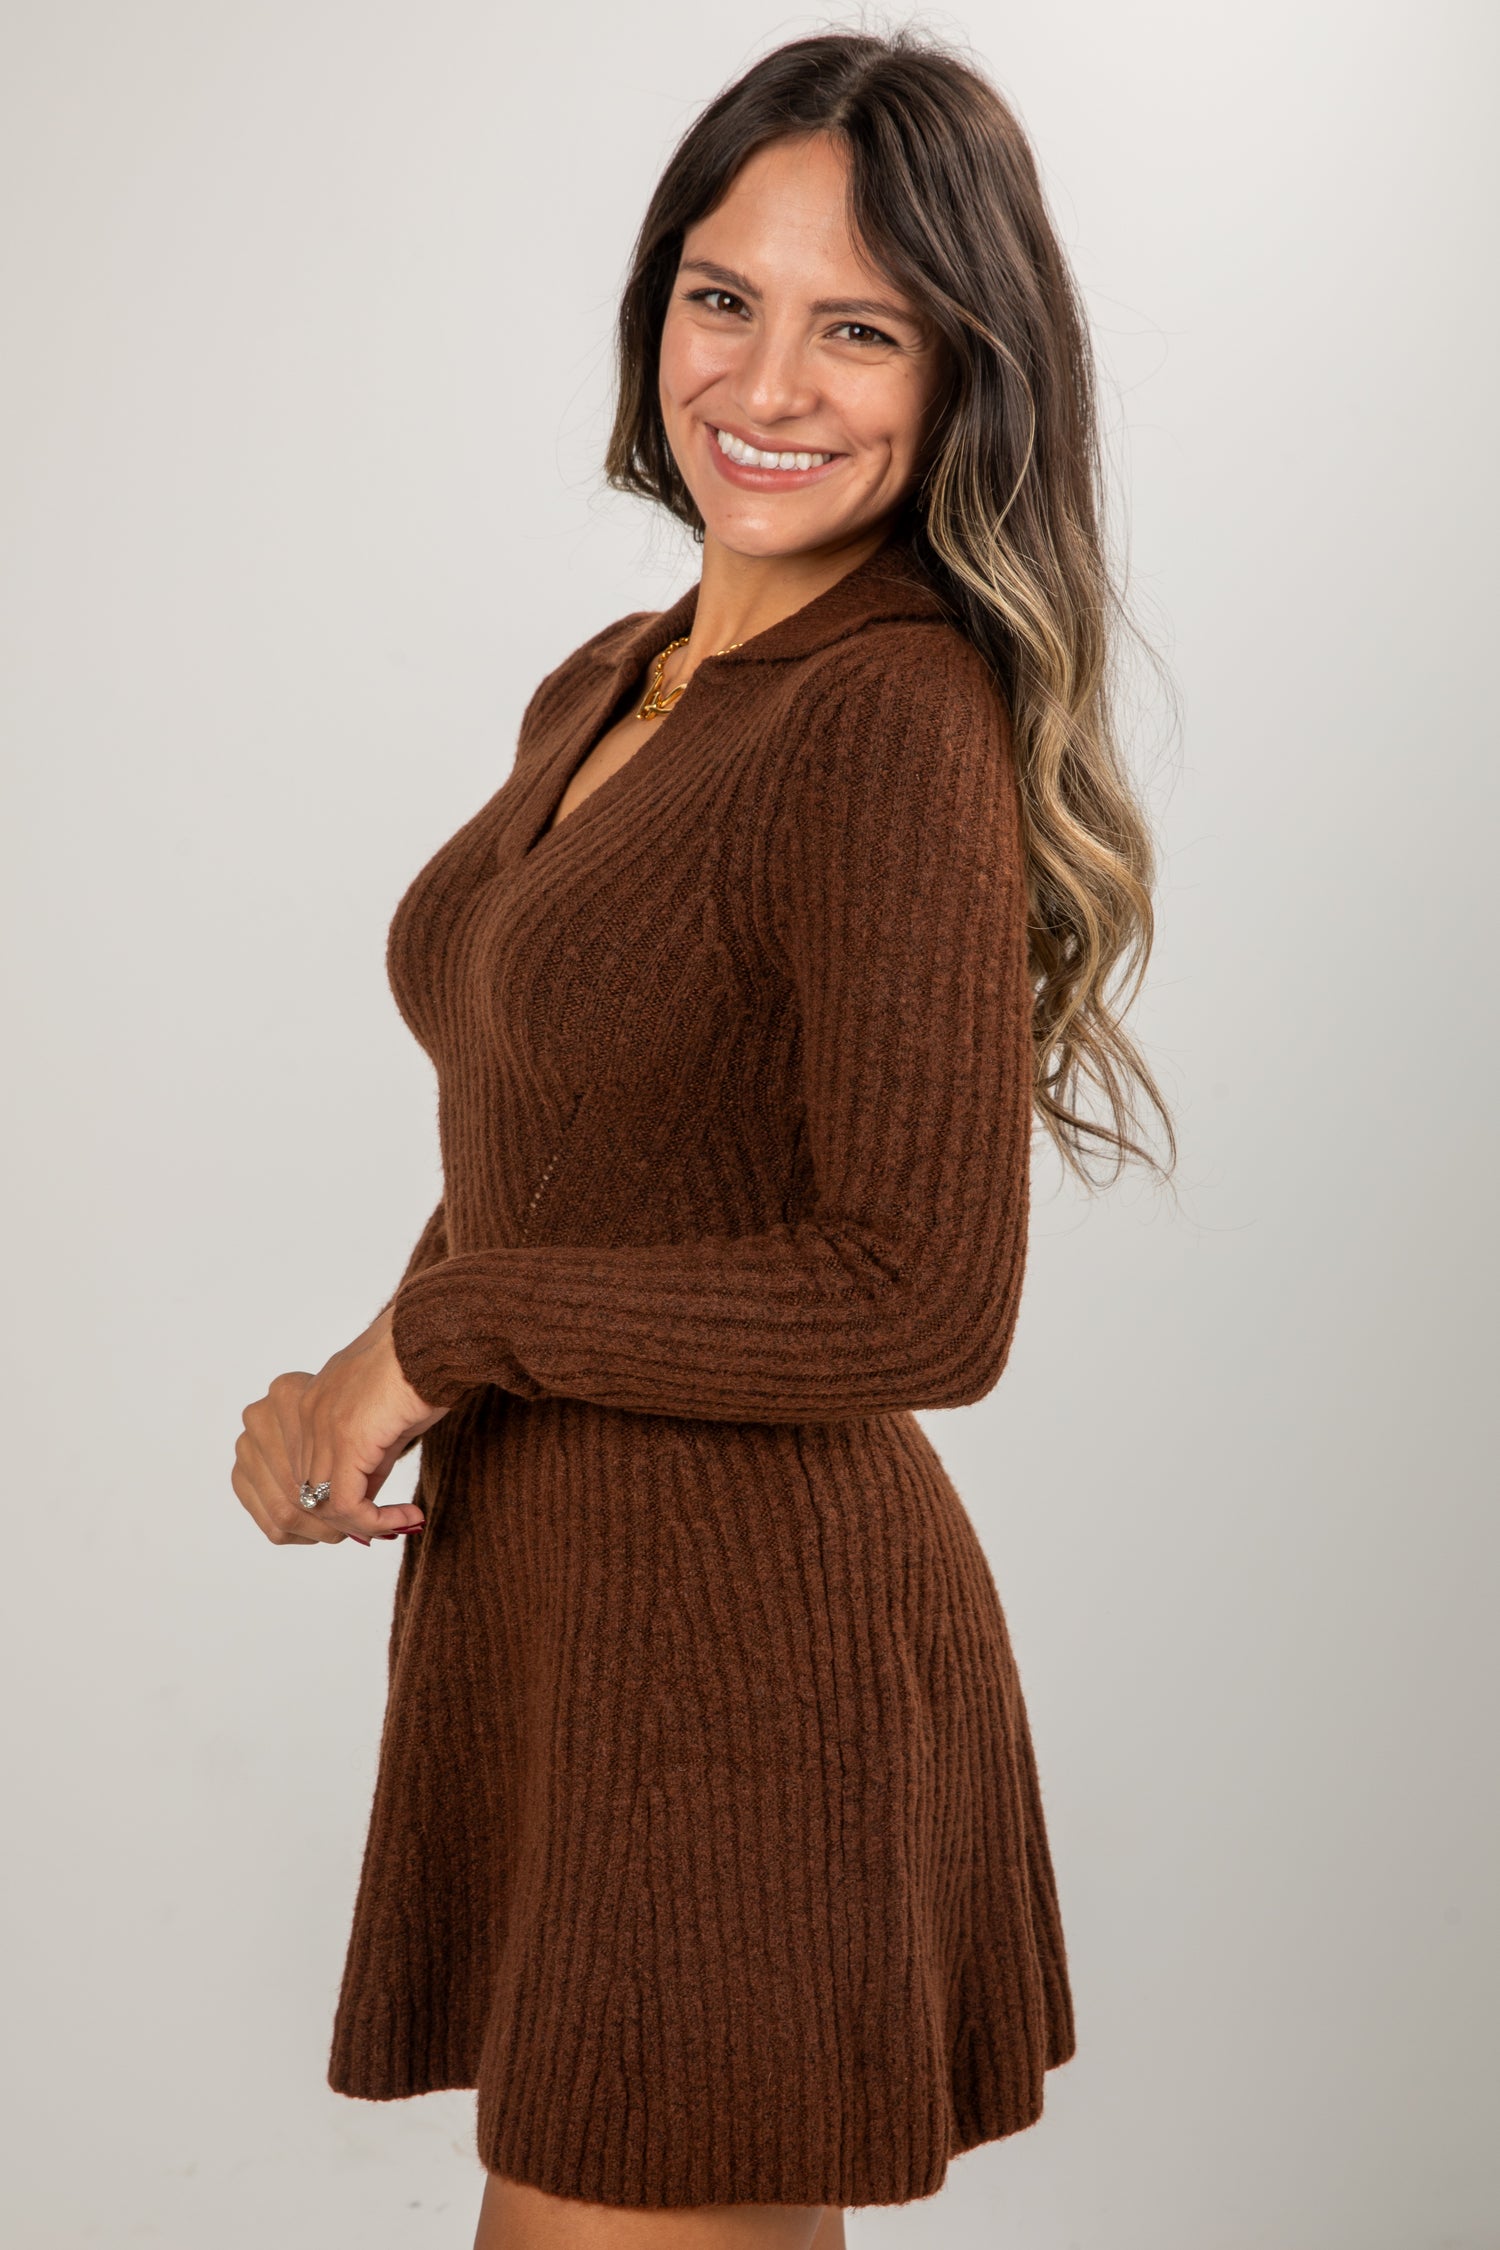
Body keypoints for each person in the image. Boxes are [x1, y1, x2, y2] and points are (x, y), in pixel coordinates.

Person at [231, 29, 1171, 2250]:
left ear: (972, 373)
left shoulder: (890, 713)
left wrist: (436, 1340)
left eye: (864, 329)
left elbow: (923, 1299)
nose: (766, 380)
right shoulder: (619, 674)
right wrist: (358, 1378)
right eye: (722, 296)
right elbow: (563, 1134)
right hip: (569, 1626)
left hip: (746, 1663)